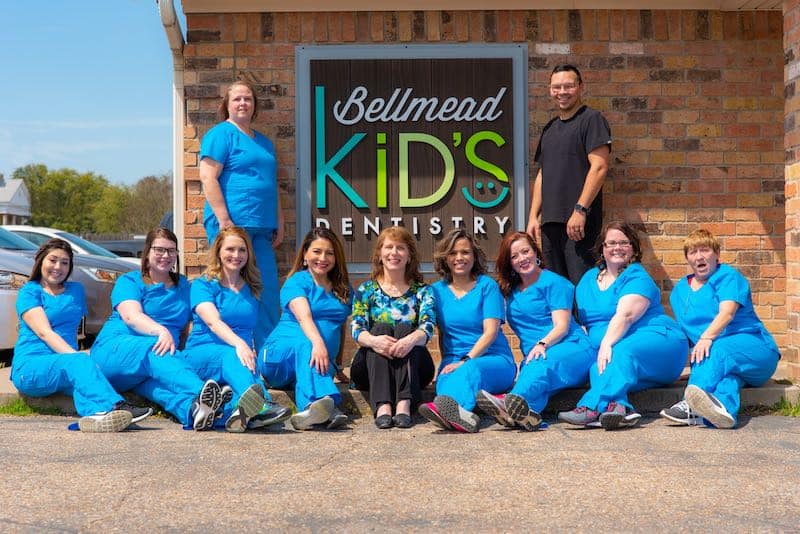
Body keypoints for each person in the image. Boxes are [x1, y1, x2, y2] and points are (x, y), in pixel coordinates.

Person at [90, 228, 226, 431]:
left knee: (162, 391)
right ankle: (209, 396)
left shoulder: (185, 288)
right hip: (115, 352)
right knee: (157, 348)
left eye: (171, 251)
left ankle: (195, 411)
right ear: (147, 251)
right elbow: (131, 316)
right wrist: (161, 331)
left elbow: (199, 321)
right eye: (159, 250)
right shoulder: (130, 280)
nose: (166, 256)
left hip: (151, 364)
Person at [558, 222, 688, 430]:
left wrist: (606, 343)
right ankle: (618, 407)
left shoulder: (636, 276)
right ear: (602, 248)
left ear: (633, 248)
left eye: (623, 243)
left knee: (618, 353)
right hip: (616, 351)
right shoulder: (587, 280)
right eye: (611, 243)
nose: (617, 248)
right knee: (598, 367)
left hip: (658, 340)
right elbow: (584, 321)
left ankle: (590, 407)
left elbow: (625, 316)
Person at [10, 239, 150, 432]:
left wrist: (83, 357)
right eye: (53, 260)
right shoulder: (29, 291)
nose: (58, 267)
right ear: (40, 260)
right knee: (80, 364)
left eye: (65, 262)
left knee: (87, 380)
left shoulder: (76, 291)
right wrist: (76, 357)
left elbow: (77, 330)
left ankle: (96, 417)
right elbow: (45, 332)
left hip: (63, 364)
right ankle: (117, 407)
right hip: (31, 367)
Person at [660, 229, 780, 429]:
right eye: (692, 252)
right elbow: (688, 335)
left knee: (719, 348)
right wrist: (694, 366)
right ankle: (722, 412)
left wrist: (707, 338)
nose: (699, 256)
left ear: (716, 254)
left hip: (756, 352)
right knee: (727, 379)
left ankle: (689, 405)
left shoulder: (728, 277)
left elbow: (727, 312)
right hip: (719, 360)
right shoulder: (680, 291)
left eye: (705, 250)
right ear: (687, 258)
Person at [199, 79, 286, 350]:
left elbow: (270, 183)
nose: (242, 103)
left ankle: (267, 357)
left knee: (268, 290)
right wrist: (225, 221)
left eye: (248, 98)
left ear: (254, 105)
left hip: (261, 227)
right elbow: (208, 177)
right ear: (226, 104)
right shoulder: (220, 134)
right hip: (232, 226)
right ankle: (229, 350)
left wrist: (279, 220)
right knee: (231, 288)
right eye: (236, 98)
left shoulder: (264, 143)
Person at [477, 231, 595, 431]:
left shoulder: (553, 282)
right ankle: (527, 414)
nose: (522, 258)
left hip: (571, 347)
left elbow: (562, 326)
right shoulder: (511, 291)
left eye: (525, 251)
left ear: (536, 252)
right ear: (510, 263)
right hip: (536, 355)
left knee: (539, 366)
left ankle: (509, 402)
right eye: (514, 256)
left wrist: (542, 344)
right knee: (535, 375)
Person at [181, 227, 290, 432]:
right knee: (232, 356)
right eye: (230, 249)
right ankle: (263, 407)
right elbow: (213, 322)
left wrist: (252, 351)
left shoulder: (253, 287)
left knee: (248, 373)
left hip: (239, 356)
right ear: (219, 252)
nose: (236, 255)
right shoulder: (203, 285)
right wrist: (240, 344)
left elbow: (253, 328)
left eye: (242, 250)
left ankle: (232, 415)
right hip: (203, 352)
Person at [418, 229, 516, 433]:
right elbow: (442, 333)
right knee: (443, 383)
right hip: (453, 362)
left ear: (474, 256)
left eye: (465, 252)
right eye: (453, 253)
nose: (459, 258)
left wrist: (465, 359)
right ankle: (465, 418)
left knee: (471, 370)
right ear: (445, 258)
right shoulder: (436, 291)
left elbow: (490, 332)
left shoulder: (487, 286)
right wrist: (449, 362)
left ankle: (453, 412)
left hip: (494, 360)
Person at [258, 228, 352, 431]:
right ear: (305, 255)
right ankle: (317, 405)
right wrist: (319, 343)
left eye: (329, 253)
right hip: (276, 359)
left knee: (309, 349)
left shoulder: (342, 288)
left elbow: (339, 326)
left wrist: (337, 363)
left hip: (310, 362)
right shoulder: (297, 282)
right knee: (306, 343)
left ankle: (318, 412)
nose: (323, 258)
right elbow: (304, 317)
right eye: (317, 251)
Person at [526, 64, 612, 286]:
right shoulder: (550, 129)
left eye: (568, 86)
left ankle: (585, 323)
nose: (561, 92)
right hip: (550, 224)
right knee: (556, 287)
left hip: (578, 224)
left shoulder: (592, 120)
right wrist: (534, 217)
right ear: (550, 90)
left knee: (582, 286)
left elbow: (600, 167)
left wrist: (580, 209)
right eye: (556, 87)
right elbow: (543, 174)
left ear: (580, 87)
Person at [349, 227, 436, 429]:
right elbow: (356, 328)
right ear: (379, 254)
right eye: (388, 247)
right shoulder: (366, 290)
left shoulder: (423, 291)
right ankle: (383, 406)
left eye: (400, 248)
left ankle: (404, 404)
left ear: (409, 256)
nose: (394, 253)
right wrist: (374, 341)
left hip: (415, 367)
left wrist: (410, 340)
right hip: (370, 368)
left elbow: (428, 326)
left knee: (406, 330)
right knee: (380, 328)